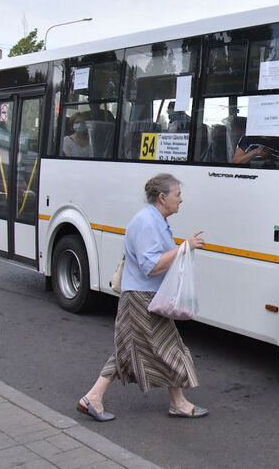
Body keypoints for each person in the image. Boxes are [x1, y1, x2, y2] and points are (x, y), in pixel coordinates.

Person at [77, 173, 207, 421]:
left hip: (143, 295)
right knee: (169, 347)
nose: (181, 200)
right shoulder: (147, 221)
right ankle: (177, 402)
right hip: (141, 298)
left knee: (128, 349)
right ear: (162, 197)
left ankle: (93, 398)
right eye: (177, 195)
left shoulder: (155, 219)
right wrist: (184, 247)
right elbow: (151, 266)